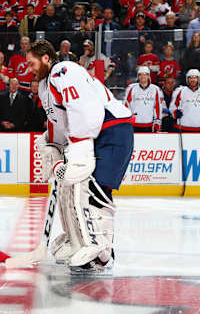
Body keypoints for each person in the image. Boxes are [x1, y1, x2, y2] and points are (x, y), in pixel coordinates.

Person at [26, 40, 133, 270]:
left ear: (46, 58)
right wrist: (53, 146)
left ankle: (102, 251)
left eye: (32, 63)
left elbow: (85, 109)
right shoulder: (46, 85)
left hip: (112, 130)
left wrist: (79, 144)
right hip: (95, 135)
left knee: (93, 190)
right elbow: (57, 122)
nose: (30, 69)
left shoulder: (64, 71)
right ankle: (79, 241)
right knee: (70, 188)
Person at [124, 66, 163, 132]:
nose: (143, 77)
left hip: (149, 124)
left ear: (148, 76)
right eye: (140, 74)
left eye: (145, 74)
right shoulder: (131, 88)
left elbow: (157, 107)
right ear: (138, 76)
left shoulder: (155, 89)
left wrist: (157, 121)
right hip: (134, 124)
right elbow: (126, 105)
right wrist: (126, 120)